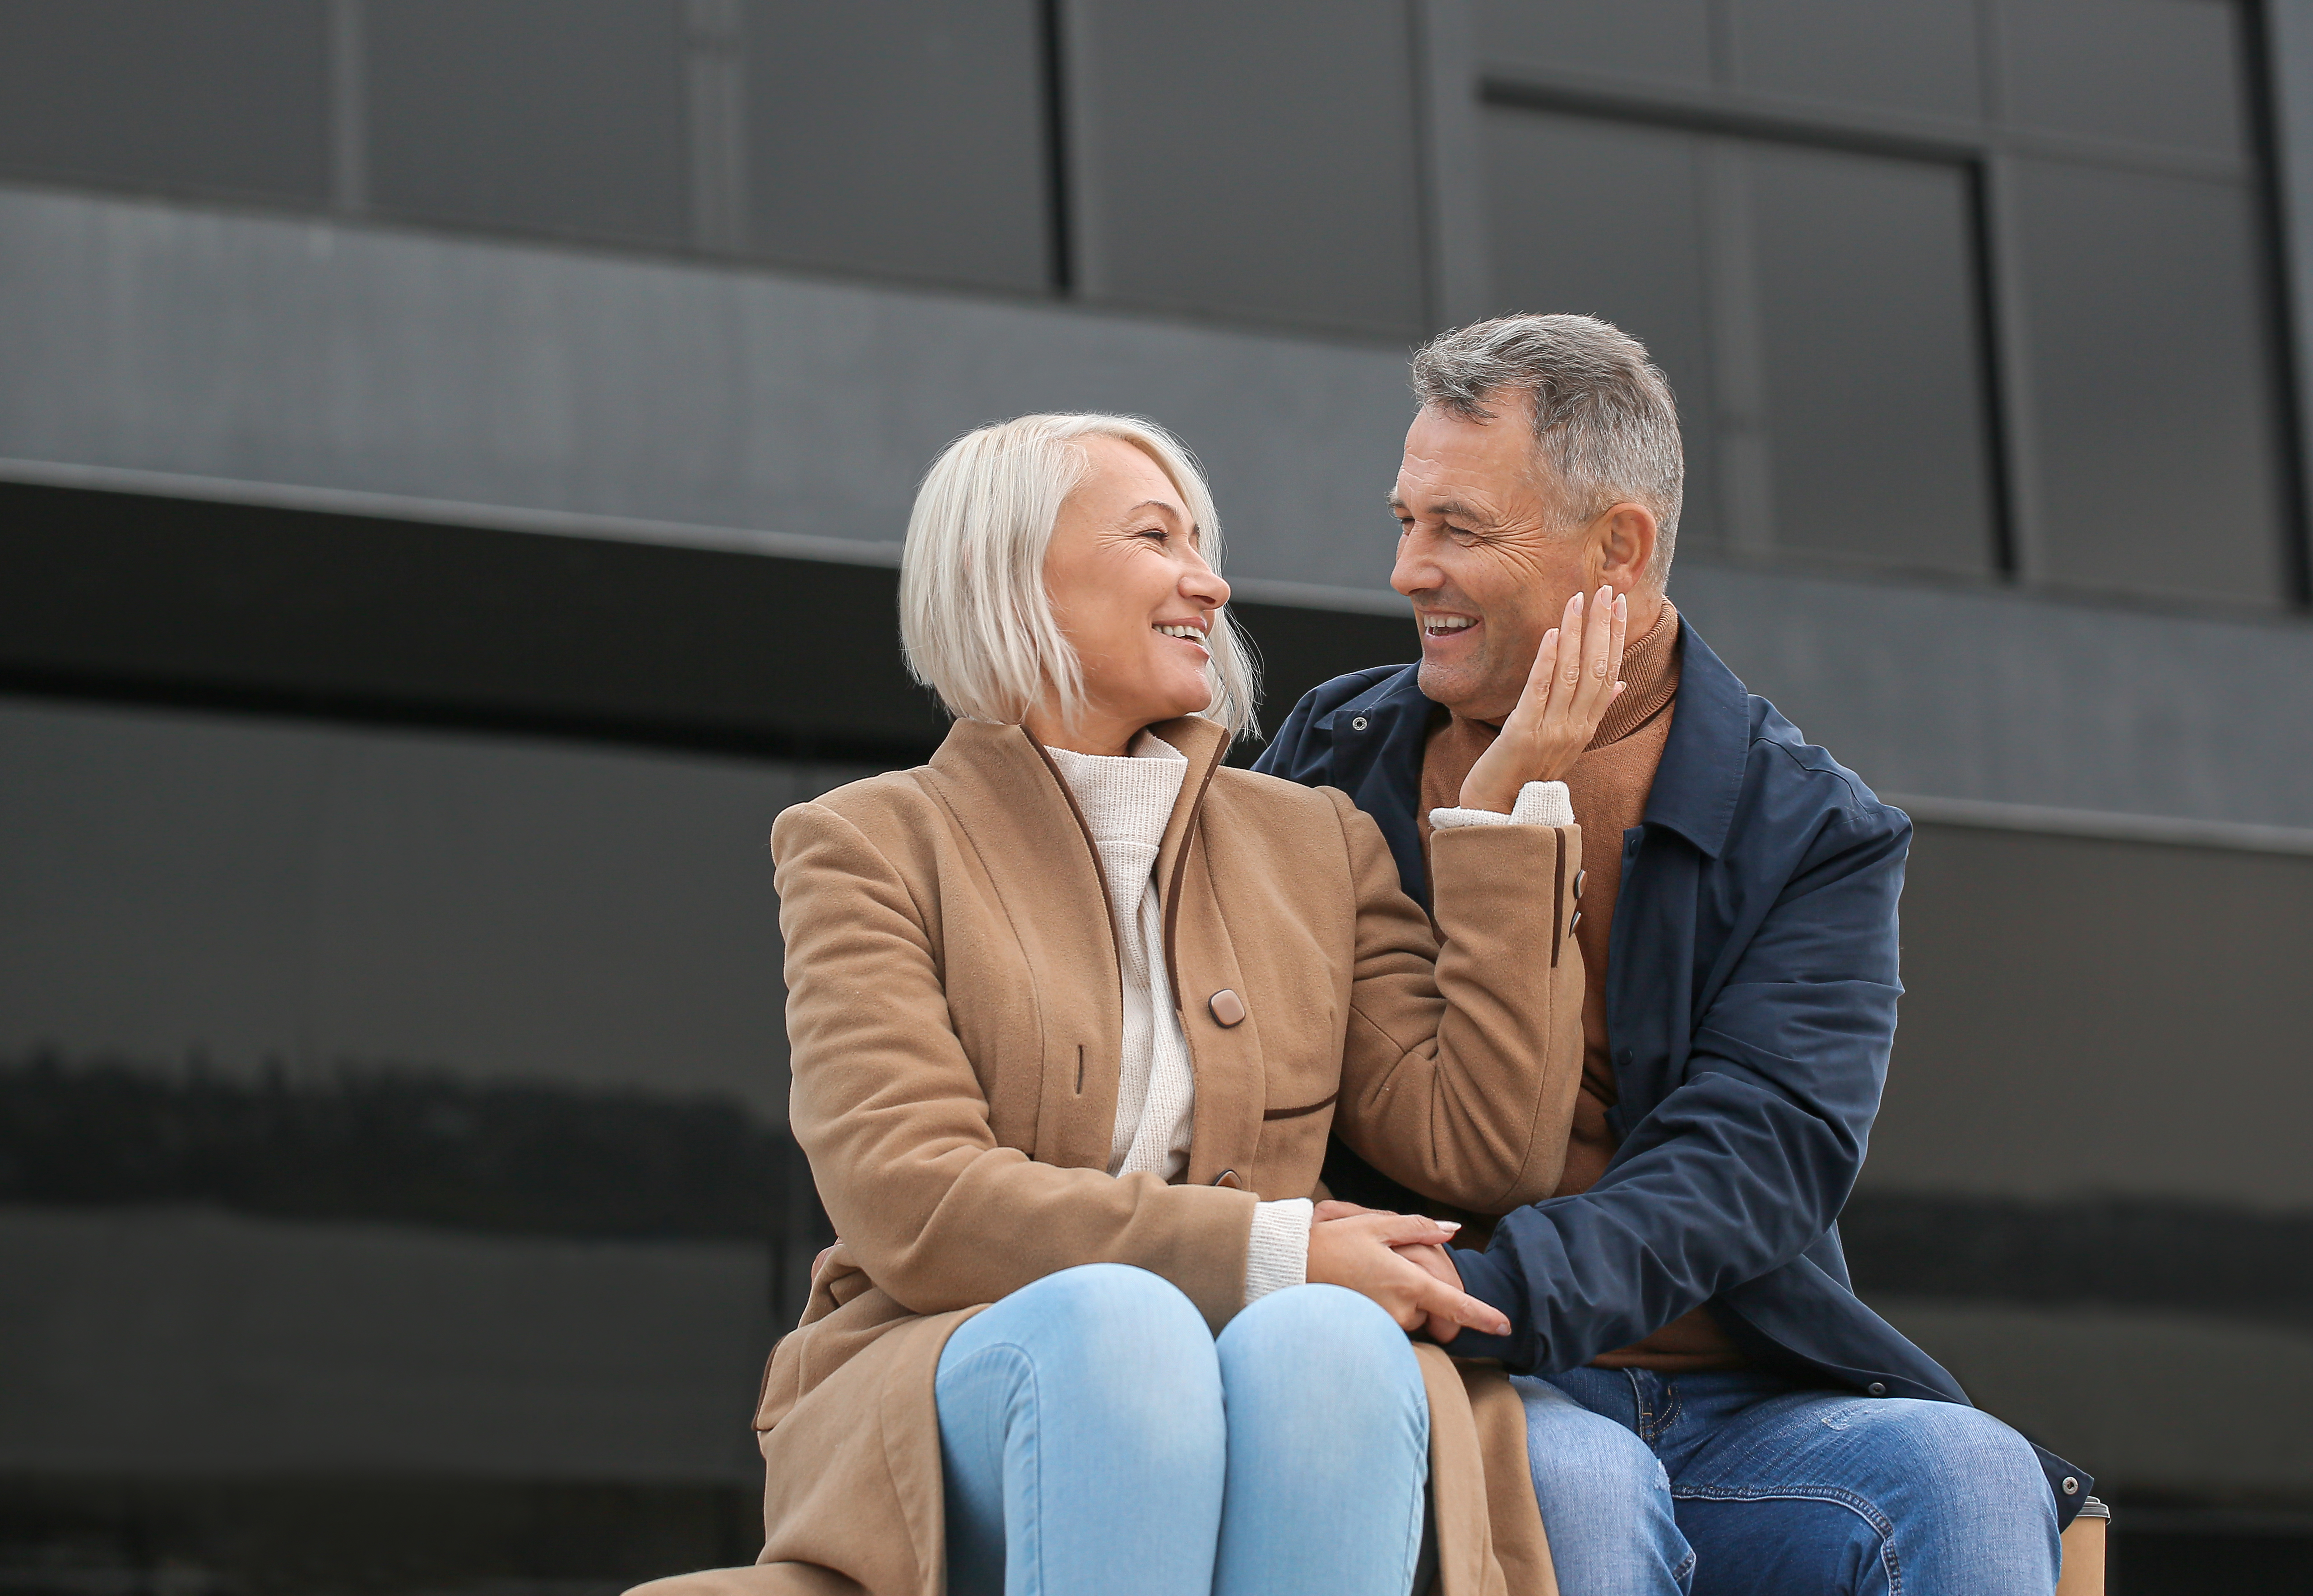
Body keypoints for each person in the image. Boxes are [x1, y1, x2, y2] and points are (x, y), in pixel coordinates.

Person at [635, 411, 1629, 1596]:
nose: (1208, 581)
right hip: (960, 1376)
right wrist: (1272, 1248)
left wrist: (1508, 811)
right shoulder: (864, 841)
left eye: (1203, 543)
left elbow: (1484, 1149)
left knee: (1336, 1339)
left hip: (1257, 1371)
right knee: (1123, 1326)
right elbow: (915, 1195)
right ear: (1007, 573)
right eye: (1158, 537)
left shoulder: (1315, 840)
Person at [1255, 315, 2090, 1596]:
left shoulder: (1811, 826)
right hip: (1447, 1386)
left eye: (1458, 528)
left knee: (1971, 1471)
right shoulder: (1337, 749)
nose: (1407, 570)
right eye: (1405, 519)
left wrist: (1481, 1285)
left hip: (1728, 1400)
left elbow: (1762, 1155)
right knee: (1577, 1484)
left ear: (1620, 546)